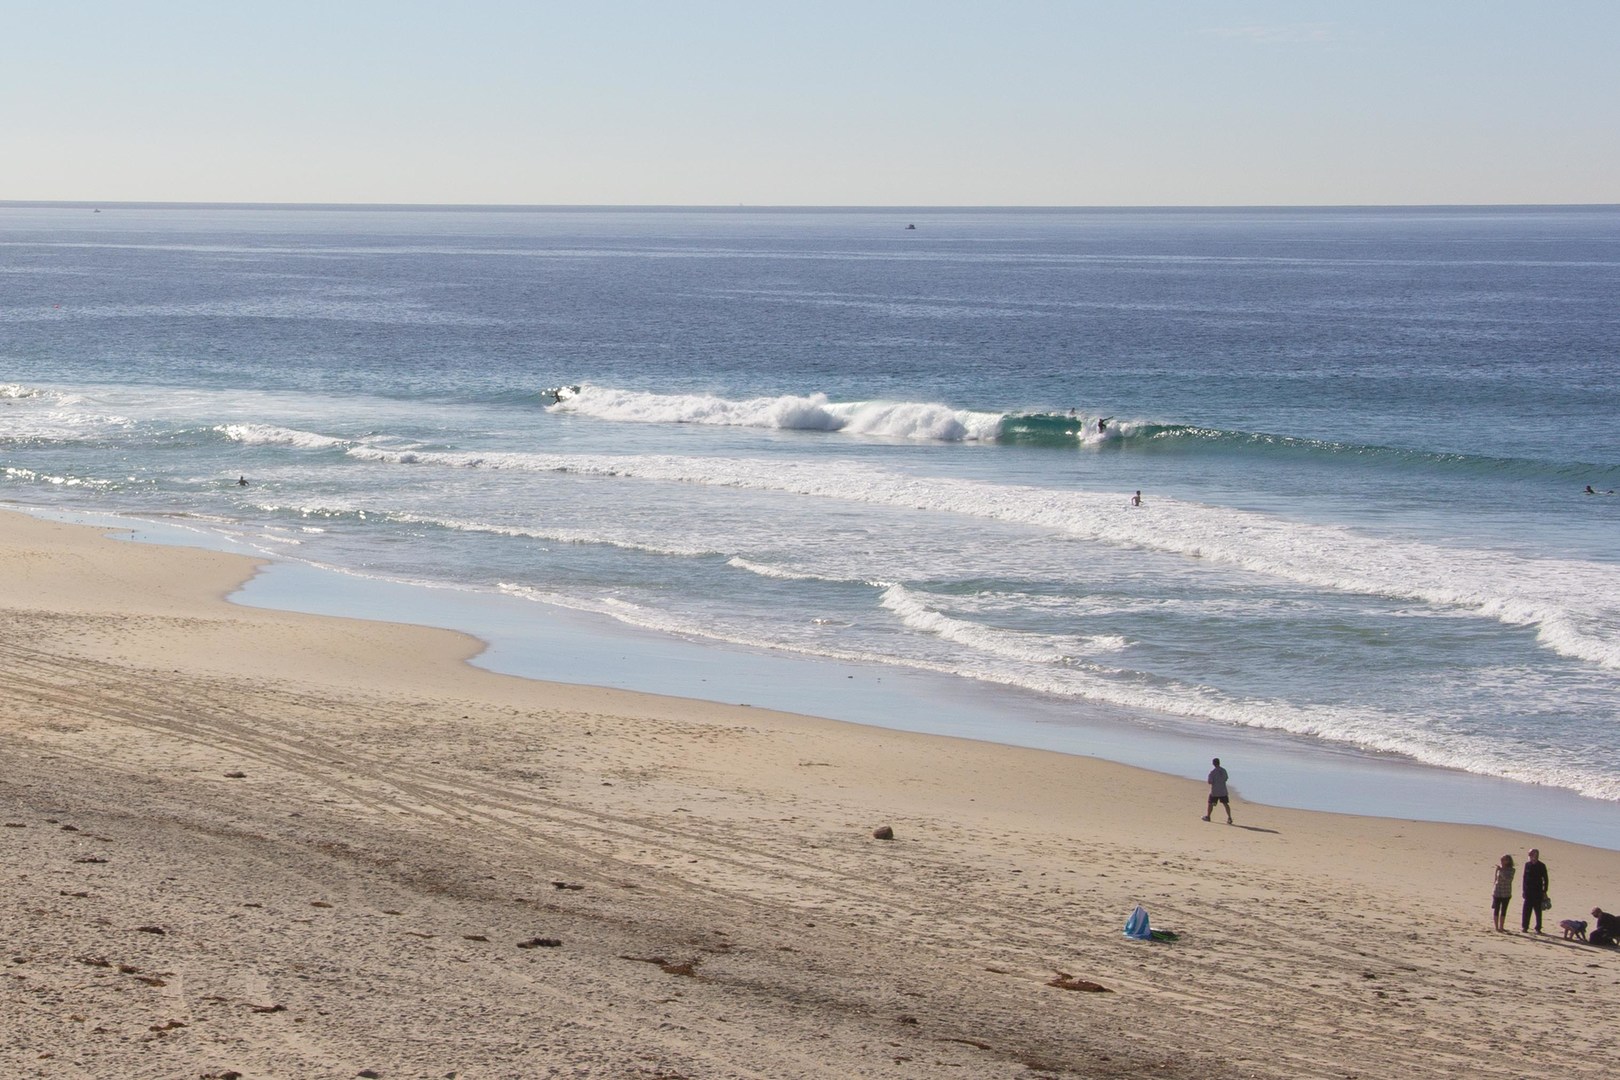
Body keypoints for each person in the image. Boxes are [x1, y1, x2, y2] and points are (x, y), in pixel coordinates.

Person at [1521, 848, 1549, 933]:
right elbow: (1524, 878)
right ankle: (1525, 927)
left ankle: (1538, 928)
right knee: (1526, 910)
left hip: (1538, 892)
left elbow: (1546, 879)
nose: (1529, 856)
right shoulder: (1527, 864)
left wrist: (1544, 891)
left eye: (1531, 854)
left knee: (1538, 911)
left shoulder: (1541, 865)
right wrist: (1524, 890)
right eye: (1529, 854)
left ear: (1536, 855)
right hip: (1528, 891)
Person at [1203, 757, 1233, 824]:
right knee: (1225, 804)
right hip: (1223, 791)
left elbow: (1210, 782)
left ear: (1213, 763)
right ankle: (1229, 817)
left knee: (1210, 803)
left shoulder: (1212, 772)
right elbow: (1226, 778)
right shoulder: (1223, 770)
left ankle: (1208, 816)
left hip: (1215, 791)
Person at [1491, 854, 1515, 932]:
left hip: (1506, 892)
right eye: (1501, 860)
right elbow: (1495, 879)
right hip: (1497, 891)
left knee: (1503, 910)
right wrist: (1493, 889)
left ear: (1508, 861)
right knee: (1496, 909)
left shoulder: (1511, 870)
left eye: (1504, 860)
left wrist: (1501, 870)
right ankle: (1496, 927)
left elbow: (1508, 879)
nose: (1502, 861)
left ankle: (1501, 926)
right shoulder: (1499, 869)